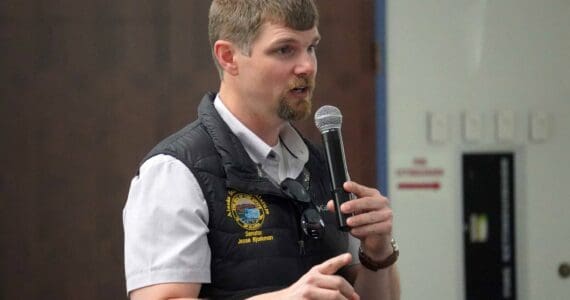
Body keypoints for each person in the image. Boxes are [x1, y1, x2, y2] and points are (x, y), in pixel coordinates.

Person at [123, 0, 400, 299]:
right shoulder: (176, 171)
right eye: (285, 49)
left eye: (312, 47)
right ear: (228, 57)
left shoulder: (321, 165)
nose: (307, 66)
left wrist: (379, 252)